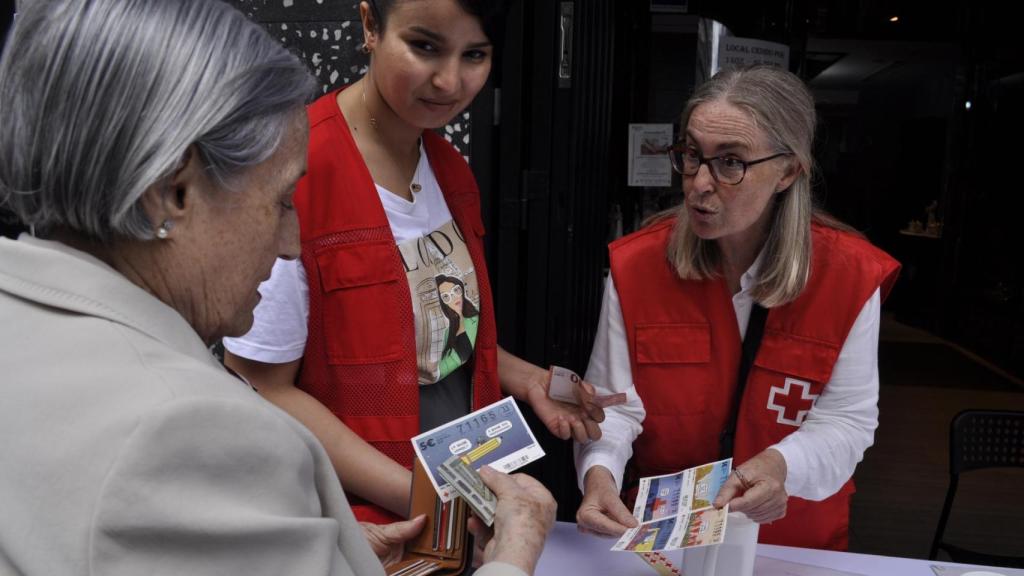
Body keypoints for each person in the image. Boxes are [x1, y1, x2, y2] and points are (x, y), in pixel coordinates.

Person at [0, 1, 554, 575]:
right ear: (172, 192)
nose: (292, 243)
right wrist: (513, 557)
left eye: (475, 54)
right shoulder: (187, 433)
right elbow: (263, 386)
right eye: (280, 202)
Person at [222, 0, 603, 524]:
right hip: (355, 522)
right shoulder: (300, 170)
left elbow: (433, 335)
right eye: (424, 47)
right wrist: (421, 497)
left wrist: (527, 378)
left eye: (474, 54)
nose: (448, 81)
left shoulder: (448, 167)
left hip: (461, 496)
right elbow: (262, 385)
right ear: (370, 26)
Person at [574, 65, 900, 551]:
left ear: (788, 170)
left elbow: (847, 420)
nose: (699, 184)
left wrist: (781, 465)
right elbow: (612, 407)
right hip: (663, 541)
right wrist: (598, 473)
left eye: (731, 163)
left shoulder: (849, 275)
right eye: (691, 155)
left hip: (790, 544)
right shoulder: (638, 264)